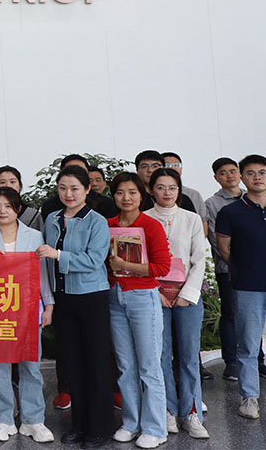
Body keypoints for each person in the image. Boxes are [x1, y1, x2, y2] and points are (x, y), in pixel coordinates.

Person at [36, 165, 113, 448]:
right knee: (72, 363)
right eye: (63, 188)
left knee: (96, 362)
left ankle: (100, 428)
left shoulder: (97, 221)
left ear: (87, 189)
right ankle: (79, 425)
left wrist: (58, 255)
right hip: (64, 298)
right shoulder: (53, 219)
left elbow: (94, 260)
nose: (68, 194)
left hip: (90, 296)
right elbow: (44, 261)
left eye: (75, 188)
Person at [0, 187, 54, 444]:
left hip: (28, 308)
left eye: (8, 206)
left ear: (18, 209)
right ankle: (3, 419)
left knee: (30, 365)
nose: (2, 211)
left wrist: (49, 304)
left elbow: (42, 273)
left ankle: (33, 420)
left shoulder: (35, 235)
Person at [215, 154, 266, 419]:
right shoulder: (230, 212)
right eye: (251, 173)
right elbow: (224, 248)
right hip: (247, 288)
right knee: (247, 346)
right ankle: (249, 398)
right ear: (243, 178)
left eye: (262, 172)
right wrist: (243, 269)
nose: (257, 177)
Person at [105, 173, 171, 449]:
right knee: (125, 366)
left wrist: (125, 265)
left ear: (141, 195)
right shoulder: (107, 225)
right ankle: (131, 423)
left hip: (143, 297)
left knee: (149, 366)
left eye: (132, 192)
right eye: (120, 192)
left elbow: (162, 268)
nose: (126, 198)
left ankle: (155, 428)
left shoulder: (151, 225)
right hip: (114, 296)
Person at [145, 168, 210, 439]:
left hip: (187, 298)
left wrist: (187, 293)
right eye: (160, 187)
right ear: (151, 190)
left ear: (179, 190)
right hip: (154, 296)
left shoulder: (191, 219)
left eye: (172, 187)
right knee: (160, 355)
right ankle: (168, 409)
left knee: (188, 356)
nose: (167, 192)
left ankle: (191, 412)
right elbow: (141, 260)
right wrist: (154, 292)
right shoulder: (144, 219)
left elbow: (200, 258)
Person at [205, 157, 266, 381]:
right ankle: (232, 362)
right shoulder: (213, 204)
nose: (229, 176)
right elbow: (217, 240)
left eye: (232, 170)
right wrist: (239, 263)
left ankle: (259, 361)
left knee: (256, 319)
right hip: (228, 269)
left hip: (260, 271)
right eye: (223, 172)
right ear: (216, 178)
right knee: (231, 314)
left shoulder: (256, 199)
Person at [39, 155, 119, 221]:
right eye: (70, 171)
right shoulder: (50, 206)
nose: (75, 175)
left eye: (81, 171)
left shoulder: (106, 204)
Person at [0, 166, 43, 231]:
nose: (8, 185)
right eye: (2, 182)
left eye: (12, 182)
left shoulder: (33, 215)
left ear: (20, 185)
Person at [133, 151, 197, 213]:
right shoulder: (133, 198)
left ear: (163, 168)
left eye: (155, 166)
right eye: (144, 166)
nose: (150, 170)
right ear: (137, 170)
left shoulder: (182, 199)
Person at [162, 152, 207, 224]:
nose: (172, 168)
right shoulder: (156, 193)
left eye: (176, 165)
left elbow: (203, 221)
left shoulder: (193, 194)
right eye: (167, 165)